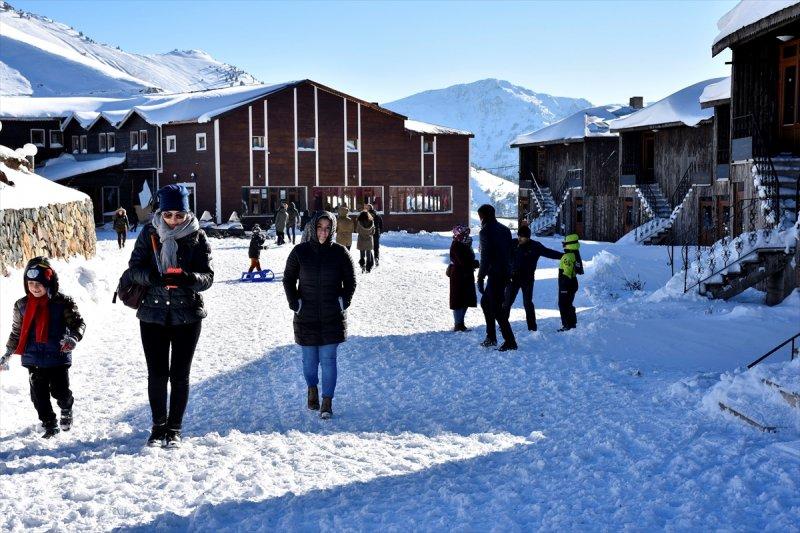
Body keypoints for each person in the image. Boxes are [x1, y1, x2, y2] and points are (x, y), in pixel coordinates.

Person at [127, 184, 214, 448]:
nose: (173, 220)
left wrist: (187, 278)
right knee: (157, 374)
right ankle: (157, 427)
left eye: (179, 214)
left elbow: (207, 277)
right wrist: (154, 277)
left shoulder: (198, 237)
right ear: (161, 213)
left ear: (187, 212)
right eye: (168, 214)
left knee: (179, 375)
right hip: (152, 314)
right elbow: (134, 269)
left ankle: (174, 428)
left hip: (187, 315)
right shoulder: (148, 233)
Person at [283, 211, 356, 419]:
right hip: (306, 316)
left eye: (327, 228)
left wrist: (344, 301)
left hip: (332, 316)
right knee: (309, 362)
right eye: (319, 227)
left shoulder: (340, 252)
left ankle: (327, 402)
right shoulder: (300, 251)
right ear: (313, 229)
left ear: (332, 230)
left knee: (329, 360)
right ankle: (312, 388)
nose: (323, 232)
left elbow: (350, 282)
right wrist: (294, 302)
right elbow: (288, 279)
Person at [1, 257, 86, 438]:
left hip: (57, 357)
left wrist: (73, 337)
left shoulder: (62, 303)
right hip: (33, 359)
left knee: (59, 391)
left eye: (39, 283)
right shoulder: (21, 305)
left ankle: (66, 406)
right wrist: (8, 353)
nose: (34, 287)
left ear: (48, 282)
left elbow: (78, 323)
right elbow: (16, 332)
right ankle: (49, 424)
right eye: (30, 283)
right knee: (38, 397)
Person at [503, 225, 562, 332]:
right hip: (512, 278)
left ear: (528, 237)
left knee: (527, 303)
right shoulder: (513, 243)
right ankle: (503, 324)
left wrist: (563, 256)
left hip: (527, 279)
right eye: (519, 236)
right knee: (507, 302)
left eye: (523, 237)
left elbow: (549, 253)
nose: (520, 238)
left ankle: (532, 327)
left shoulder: (535, 246)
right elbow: (500, 249)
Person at [476, 204, 516, 351]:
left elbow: (485, 257)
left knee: (496, 308)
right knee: (486, 303)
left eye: (480, 216)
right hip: (504, 273)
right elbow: (510, 253)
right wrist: (510, 271)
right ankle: (491, 336)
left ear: (483, 216)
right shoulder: (505, 230)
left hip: (495, 275)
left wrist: (480, 278)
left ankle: (510, 341)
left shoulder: (485, 232)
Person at [448, 224, 479, 332]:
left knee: (465, 300)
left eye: (467, 232)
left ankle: (461, 323)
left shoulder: (466, 244)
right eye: (465, 233)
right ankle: (458, 324)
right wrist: (474, 263)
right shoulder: (456, 244)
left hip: (466, 275)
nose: (467, 235)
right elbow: (462, 261)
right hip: (458, 276)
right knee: (458, 300)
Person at [557, 233, 583, 332]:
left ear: (569, 244)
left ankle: (566, 325)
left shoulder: (567, 256)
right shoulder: (575, 254)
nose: (563, 245)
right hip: (573, 282)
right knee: (569, 303)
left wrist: (563, 287)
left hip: (566, 282)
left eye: (565, 243)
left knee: (563, 304)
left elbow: (566, 272)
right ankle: (572, 323)